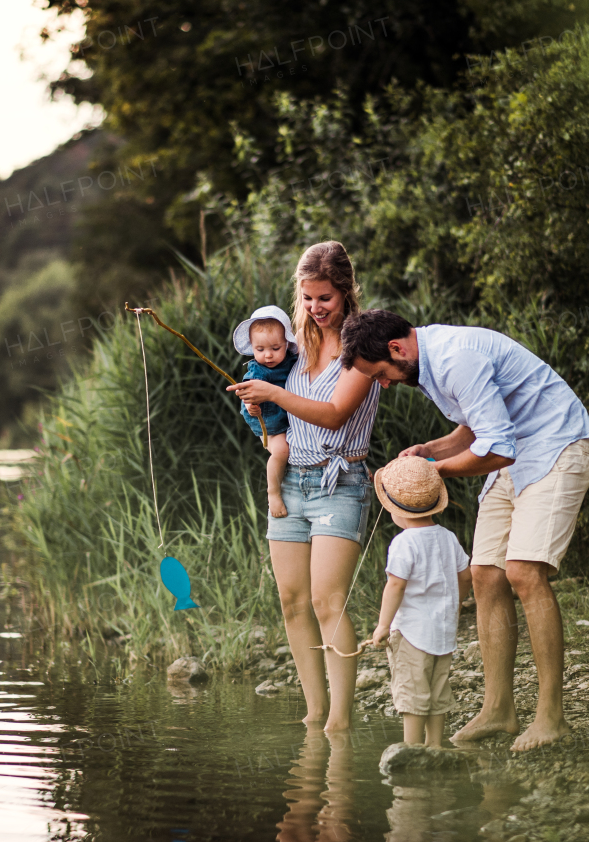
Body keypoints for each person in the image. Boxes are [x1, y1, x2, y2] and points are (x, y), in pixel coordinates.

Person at [340, 309, 589, 751]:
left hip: (556, 445)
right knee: (485, 573)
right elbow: (476, 427)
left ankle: (550, 716)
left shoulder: (456, 357)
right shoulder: (424, 365)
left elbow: (496, 448)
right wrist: (429, 449)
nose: (382, 384)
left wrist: (434, 470)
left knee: (522, 571)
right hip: (517, 454)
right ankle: (499, 709)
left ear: (396, 349)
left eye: (380, 374)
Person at [227, 241, 380, 732]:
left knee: (326, 601)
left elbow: (334, 418)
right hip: (291, 483)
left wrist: (274, 393)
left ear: (346, 292)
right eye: (308, 298)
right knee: (292, 602)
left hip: (341, 480)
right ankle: (315, 714)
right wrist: (260, 410)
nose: (316, 309)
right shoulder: (297, 347)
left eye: (325, 299)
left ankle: (340, 719)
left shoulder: (362, 347)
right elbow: (279, 419)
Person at [369, 456, 472, 748]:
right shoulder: (448, 537)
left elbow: (396, 585)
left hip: (412, 634)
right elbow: (466, 576)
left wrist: (382, 626)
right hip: (443, 633)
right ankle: (436, 746)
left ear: (394, 509)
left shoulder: (403, 543)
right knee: (438, 690)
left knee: (413, 693)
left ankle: (412, 749)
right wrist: (456, 604)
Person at [232, 305, 299, 518]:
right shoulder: (257, 371)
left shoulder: (292, 360)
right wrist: (251, 406)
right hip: (270, 422)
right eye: (260, 350)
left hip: (291, 418)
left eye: (275, 348)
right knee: (281, 451)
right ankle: (273, 493)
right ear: (252, 347)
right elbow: (247, 394)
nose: (268, 355)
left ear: (287, 344)